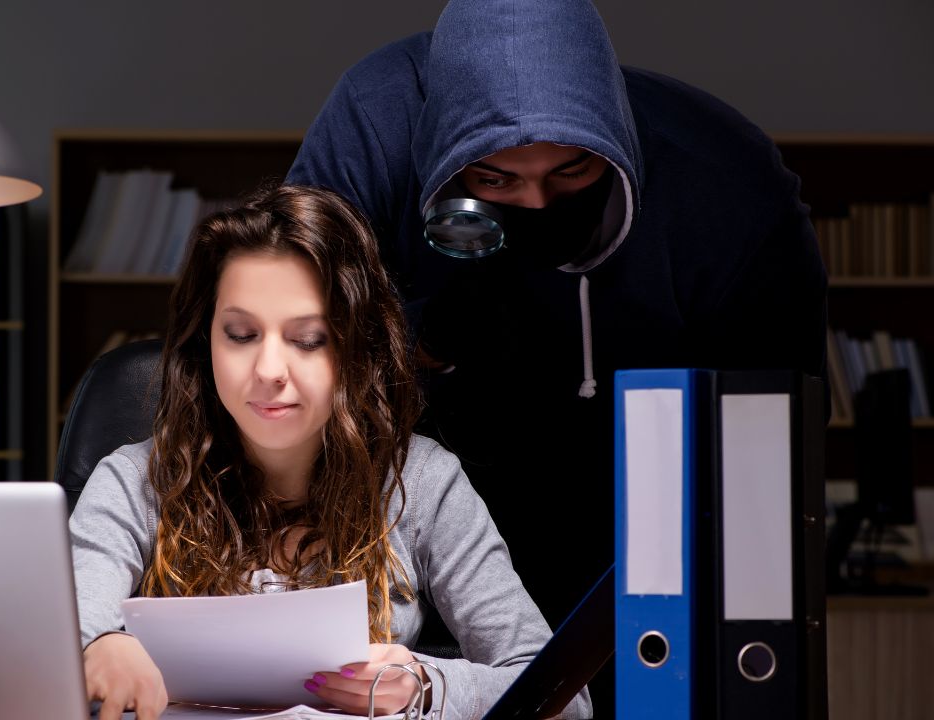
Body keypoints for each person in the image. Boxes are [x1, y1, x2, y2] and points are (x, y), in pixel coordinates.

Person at [286, 0, 828, 642]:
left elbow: (773, 434)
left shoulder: (725, 180)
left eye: (572, 170)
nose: (537, 201)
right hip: (428, 483)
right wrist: (415, 335)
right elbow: (287, 333)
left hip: (647, 496)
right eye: (496, 178)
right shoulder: (376, 122)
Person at [68, 184, 592, 720]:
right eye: (241, 333)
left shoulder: (423, 480)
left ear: (354, 349)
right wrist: (96, 643)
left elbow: (564, 700)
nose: (269, 371)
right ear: (206, 344)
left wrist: (425, 687)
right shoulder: (134, 481)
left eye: (309, 339)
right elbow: (57, 626)